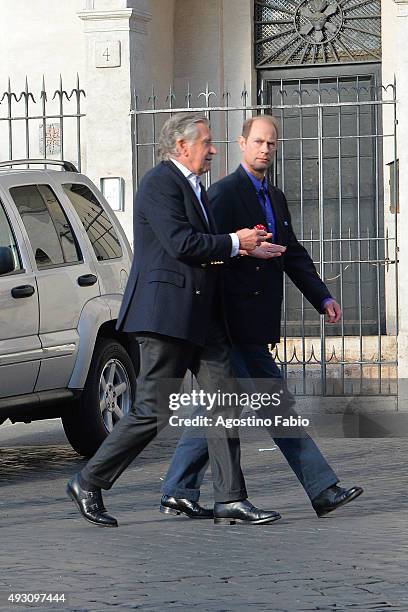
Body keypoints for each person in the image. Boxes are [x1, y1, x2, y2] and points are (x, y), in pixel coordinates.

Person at [66, 112, 283, 527]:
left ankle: (231, 498)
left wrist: (245, 249)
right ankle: (89, 480)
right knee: (152, 409)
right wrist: (237, 242)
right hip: (165, 316)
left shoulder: (194, 186)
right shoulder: (158, 183)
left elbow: (206, 246)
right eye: (206, 142)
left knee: (225, 400)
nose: (213, 150)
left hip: (202, 317)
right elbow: (182, 244)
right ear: (182, 146)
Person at [160, 115, 363, 520]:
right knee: (274, 403)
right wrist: (241, 250)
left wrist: (321, 297)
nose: (265, 149)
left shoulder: (275, 197)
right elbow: (205, 252)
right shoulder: (222, 195)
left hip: (253, 322)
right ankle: (321, 489)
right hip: (229, 324)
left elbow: (293, 254)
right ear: (242, 143)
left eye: (271, 143)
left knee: (222, 406)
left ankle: (177, 488)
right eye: (258, 142)